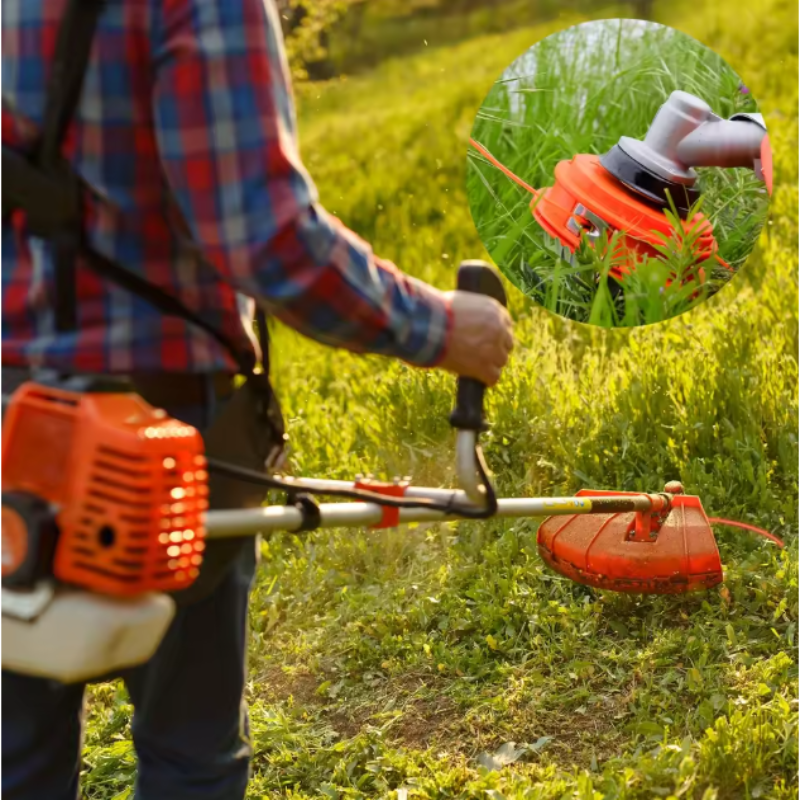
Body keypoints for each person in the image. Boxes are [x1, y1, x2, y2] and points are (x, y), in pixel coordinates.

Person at [1, 1, 513, 799]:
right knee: (190, 756)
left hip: (9, 418)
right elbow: (267, 239)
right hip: (151, 440)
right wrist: (445, 329)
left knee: (14, 757)